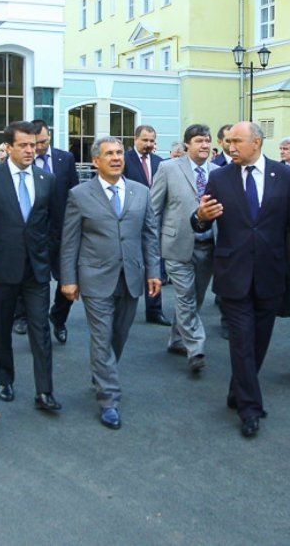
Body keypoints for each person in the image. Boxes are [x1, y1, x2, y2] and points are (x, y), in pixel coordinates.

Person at [192, 121, 290, 438]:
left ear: (257, 142)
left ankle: (238, 391)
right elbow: (201, 220)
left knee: (259, 342)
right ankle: (250, 408)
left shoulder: (286, 176)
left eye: (236, 141)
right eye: (228, 141)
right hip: (232, 274)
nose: (229, 147)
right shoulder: (219, 177)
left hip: (270, 273)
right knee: (242, 342)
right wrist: (200, 218)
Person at [60, 136, 161, 430]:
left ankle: (101, 372)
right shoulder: (79, 195)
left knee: (119, 335)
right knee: (102, 337)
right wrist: (68, 279)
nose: (116, 158)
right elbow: (70, 241)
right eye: (109, 154)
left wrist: (154, 271)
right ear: (96, 161)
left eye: (119, 152)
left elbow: (149, 236)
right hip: (95, 277)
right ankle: (109, 400)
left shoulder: (141, 193)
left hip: (131, 276)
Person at [0, 121, 62, 412]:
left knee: (40, 330)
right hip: (1, 266)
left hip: (36, 269)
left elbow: (53, 224)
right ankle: (5, 379)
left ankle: (44, 391)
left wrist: (48, 256)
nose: (30, 150)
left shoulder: (46, 179)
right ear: (8, 147)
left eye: (34, 144)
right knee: (2, 328)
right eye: (23, 145)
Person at [149, 124, 219, 372]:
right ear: (187, 144)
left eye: (208, 141)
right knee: (186, 297)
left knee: (196, 297)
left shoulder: (218, 172)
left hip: (208, 246)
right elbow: (153, 209)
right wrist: (152, 248)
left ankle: (177, 339)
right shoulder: (168, 168)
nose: (204, 145)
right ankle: (196, 348)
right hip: (176, 244)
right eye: (199, 140)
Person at [33, 119, 79, 344]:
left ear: (49, 136)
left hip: (63, 232)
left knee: (67, 280)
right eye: (36, 142)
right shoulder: (25, 161)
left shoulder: (65, 159)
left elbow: (75, 193)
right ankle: (30, 321)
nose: (40, 146)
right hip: (35, 234)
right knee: (34, 282)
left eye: (44, 141)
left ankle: (58, 318)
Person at [123, 124, 169, 326]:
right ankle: (123, 306)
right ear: (135, 139)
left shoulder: (161, 163)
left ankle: (154, 310)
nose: (149, 144)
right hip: (129, 220)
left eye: (152, 141)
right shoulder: (123, 159)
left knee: (154, 263)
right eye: (145, 140)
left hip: (154, 222)